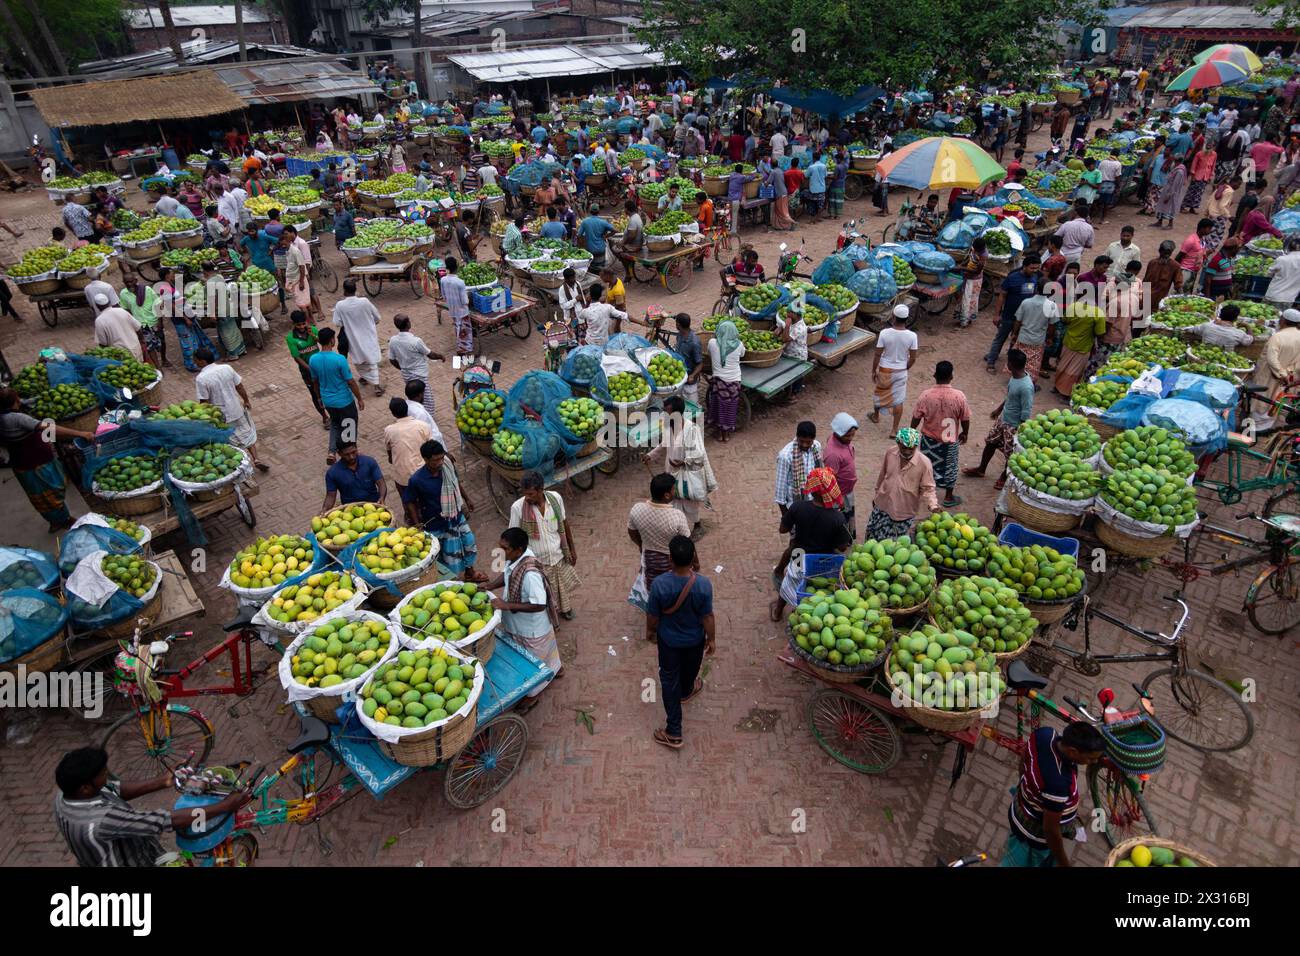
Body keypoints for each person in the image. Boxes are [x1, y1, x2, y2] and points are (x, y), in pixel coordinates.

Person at [54, 746, 249, 867]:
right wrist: (226, 805)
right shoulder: (101, 819)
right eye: (103, 774)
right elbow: (165, 820)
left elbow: (116, 789)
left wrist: (164, 781)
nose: (107, 776)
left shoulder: (65, 793)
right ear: (86, 788)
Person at [1002, 721, 1106, 867]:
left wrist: (1027, 787)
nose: (1094, 761)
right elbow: (1050, 830)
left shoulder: (1045, 734)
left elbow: (1025, 756)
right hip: (1034, 834)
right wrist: (1064, 863)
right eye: (1090, 758)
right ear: (1073, 752)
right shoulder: (1058, 784)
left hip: (1022, 806)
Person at [647, 535, 714, 751]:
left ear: (671, 560)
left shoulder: (659, 585)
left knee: (668, 679)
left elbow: (653, 615)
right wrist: (712, 639)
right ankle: (686, 691)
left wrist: (650, 632)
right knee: (690, 669)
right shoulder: (703, 584)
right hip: (695, 640)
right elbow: (708, 617)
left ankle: (674, 731)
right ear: (693, 558)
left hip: (669, 642)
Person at [482, 527, 560, 712]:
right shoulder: (516, 559)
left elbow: (539, 604)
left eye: (505, 548)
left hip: (532, 628)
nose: (501, 551)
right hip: (520, 625)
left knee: (535, 662)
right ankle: (556, 670)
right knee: (547, 656)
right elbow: (508, 574)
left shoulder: (530, 574)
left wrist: (506, 605)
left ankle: (534, 695)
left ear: (519, 549)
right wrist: (491, 585)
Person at [1, 387, 93, 531]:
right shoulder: (16, 418)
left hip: (21, 464)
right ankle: (64, 520)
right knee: (51, 492)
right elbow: (49, 428)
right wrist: (81, 433)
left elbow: (30, 402)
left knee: (39, 496)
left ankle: (56, 520)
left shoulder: (4, 416)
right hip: (37, 463)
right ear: (15, 400)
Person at [771, 467, 853, 620]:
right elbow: (842, 547)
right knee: (819, 589)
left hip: (799, 554)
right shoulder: (837, 518)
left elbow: (783, 529)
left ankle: (778, 612)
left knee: (790, 582)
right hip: (824, 559)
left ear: (812, 490)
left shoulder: (798, 507)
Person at [402, 440, 481, 579]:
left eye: (441, 458)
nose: (440, 463)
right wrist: (416, 523)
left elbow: (455, 482)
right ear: (425, 459)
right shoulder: (417, 480)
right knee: (448, 555)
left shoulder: (447, 467)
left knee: (469, 542)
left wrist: (467, 499)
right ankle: (451, 581)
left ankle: (470, 571)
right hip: (436, 523)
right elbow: (409, 502)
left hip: (456, 515)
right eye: (435, 460)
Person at [509, 472, 580, 622]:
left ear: (541, 490)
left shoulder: (555, 499)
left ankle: (565, 609)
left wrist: (572, 549)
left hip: (558, 555)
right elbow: (513, 536)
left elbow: (564, 523)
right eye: (524, 493)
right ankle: (551, 618)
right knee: (543, 594)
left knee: (560, 588)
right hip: (537, 562)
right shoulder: (517, 508)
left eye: (531, 494)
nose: (527, 497)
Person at [963, 349, 1034, 490]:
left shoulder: (1026, 387)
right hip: (1003, 419)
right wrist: (999, 409)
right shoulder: (1015, 377)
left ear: (1011, 364)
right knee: (991, 443)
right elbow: (1010, 397)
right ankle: (981, 469)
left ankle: (1004, 476)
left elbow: (1026, 411)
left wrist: (1020, 430)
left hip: (1014, 425)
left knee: (1010, 454)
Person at [645, 394, 716, 533]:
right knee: (674, 502)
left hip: (687, 474)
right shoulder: (667, 426)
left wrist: (683, 462)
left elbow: (698, 455)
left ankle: (697, 525)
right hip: (671, 472)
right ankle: (679, 529)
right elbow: (663, 444)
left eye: (667, 412)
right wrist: (650, 455)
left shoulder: (691, 430)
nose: (664, 414)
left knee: (689, 503)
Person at [194, 348, 269, 472]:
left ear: (202, 361)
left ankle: (239, 468)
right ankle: (256, 459)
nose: (194, 362)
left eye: (195, 360)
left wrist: (202, 418)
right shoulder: (226, 368)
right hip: (236, 409)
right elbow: (239, 386)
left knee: (229, 444)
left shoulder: (201, 378)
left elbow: (204, 402)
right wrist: (246, 400)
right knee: (246, 433)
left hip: (221, 416)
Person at [628, 473, 693, 611]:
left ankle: (656, 605)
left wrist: (641, 544)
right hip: (670, 559)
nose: (675, 491)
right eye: (673, 489)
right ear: (667, 495)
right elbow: (687, 542)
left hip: (648, 556)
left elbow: (632, 531)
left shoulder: (637, 509)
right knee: (674, 585)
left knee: (652, 584)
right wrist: (695, 562)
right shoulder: (677, 516)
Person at [910, 361, 971, 508]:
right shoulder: (959, 396)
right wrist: (965, 433)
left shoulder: (926, 395)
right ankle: (948, 497)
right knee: (950, 467)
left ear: (934, 375)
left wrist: (912, 432)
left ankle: (923, 492)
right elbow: (965, 418)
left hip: (929, 440)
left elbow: (916, 417)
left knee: (926, 465)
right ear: (951, 376)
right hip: (949, 442)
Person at [865, 428, 941, 539]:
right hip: (882, 504)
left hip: (902, 512)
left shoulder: (924, 463)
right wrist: (877, 494)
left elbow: (928, 489)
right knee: (872, 537)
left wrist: (933, 505)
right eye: (904, 447)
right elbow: (882, 475)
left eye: (911, 448)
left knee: (891, 546)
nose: (907, 451)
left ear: (916, 446)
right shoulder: (891, 452)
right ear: (898, 443)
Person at [310, 327, 364, 464]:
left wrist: (319, 398)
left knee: (335, 424)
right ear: (332, 341)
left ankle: (332, 451)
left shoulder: (313, 359)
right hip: (344, 401)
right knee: (349, 426)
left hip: (328, 400)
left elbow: (315, 381)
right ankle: (351, 453)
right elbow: (350, 382)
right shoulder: (339, 359)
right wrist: (359, 398)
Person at [331, 278, 384, 397]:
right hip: (368, 334)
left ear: (344, 291)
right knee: (371, 359)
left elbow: (337, 323)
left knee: (359, 359)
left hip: (353, 337)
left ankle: (367, 378)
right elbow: (377, 317)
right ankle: (376, 385)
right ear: (355, 290)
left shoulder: (340, 305)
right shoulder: (364, 301)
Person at [871, 304, 919, 435]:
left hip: (885, 369)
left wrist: (873, 370)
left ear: (893, 317)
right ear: (907, 319)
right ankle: (894, 430)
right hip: (901, 371)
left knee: (879, 392)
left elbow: (877, 354)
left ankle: (876, 416)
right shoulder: (912, 336)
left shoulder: (884, 333)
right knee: (898, 399)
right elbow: (913, 358)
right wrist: (905, 367)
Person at [386, 312, 443, 419]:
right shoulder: (416, 341)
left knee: (414, 397)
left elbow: (392, 359)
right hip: (420, 376)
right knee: (427, 399)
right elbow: (430, 354)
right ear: (408, 324)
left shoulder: (393, 341)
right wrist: (441, 356)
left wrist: (402, 368)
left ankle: (417, 415)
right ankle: (427, 420)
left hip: (406, 375)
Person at [1008, 279, 1060, 382]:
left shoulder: (1026, 302)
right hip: (1038, 340)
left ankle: (1016, 379)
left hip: (1023, 337)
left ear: (1036, 289)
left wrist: (1014, 333)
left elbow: (1018, 320)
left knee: (1019, 361)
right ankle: (1029, 383)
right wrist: (1050, 338)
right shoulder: (1052, 306)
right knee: (1033, 365)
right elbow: (1052, 325)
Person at [1053, 301, 1108, 397]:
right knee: (1074, 371)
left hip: (1068, 342)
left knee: (1062, 366)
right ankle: (1066, 393)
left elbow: (1065, 320)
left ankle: (1056, 387)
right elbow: (1100, 333)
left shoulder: (1073, 306)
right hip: (1083, 346)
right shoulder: (1098, 313)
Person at [286, 310, 330, 428]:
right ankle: (324, 417)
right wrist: (311, 369)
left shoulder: (313, 330)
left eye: (303, 324)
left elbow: (324, 343)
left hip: (321, 366)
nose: (301, 327)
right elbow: (297, 358)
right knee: (315, 394)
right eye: (298, 325)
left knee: (327, 389)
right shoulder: (291, 338)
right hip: (307, 371)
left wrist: (313, 336)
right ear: (294, 324)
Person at [384, 397, 433, 499]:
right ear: (407, 409)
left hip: (403, 478)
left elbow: (390, 456)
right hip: (423, 472)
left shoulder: (389, 430)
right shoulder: (423, 426)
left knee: (406, 498)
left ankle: (408, 510)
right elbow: (432, 447)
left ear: (393, 413)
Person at [706, 319, 745, 442]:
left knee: (719, 406)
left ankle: (719, 432)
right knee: (730, 407)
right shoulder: (739, 344)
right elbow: (743, 355)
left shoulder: (712, 343)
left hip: (719, 382)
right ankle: (726, 434)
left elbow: (708, 353)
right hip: (734, 382)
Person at [322, 441, 386, 511]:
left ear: (356, 449)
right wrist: (325, 509)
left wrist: (382, 497)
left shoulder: (369, 462)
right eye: (347, 454)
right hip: (350, 510)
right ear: (339, 454)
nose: (351, 457)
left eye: (353, 452)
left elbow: (381, 482)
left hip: (373, 505)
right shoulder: (332, 473)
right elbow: (330, 496)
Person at [440, 257, 474, 356]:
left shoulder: (443, 280)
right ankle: (464, 351)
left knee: (458, 327)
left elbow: (444, 296)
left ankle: (460, 348)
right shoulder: (460, 282)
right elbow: (464, 301)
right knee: (465, 331)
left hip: (452, 310)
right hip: (462, 311)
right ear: (457, 267)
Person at [575, 283, 626, 348]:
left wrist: (587, 302)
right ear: (600, 295)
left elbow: (580, 315)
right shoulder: (607, 307)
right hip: (604, 343)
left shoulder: (587, 311)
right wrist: (640, 322)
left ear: (590, 295)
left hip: (590, 343)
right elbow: (624, 315)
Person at [1189, 302, 1255, 349]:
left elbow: (1191, 329)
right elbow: (1250, 340)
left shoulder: (1207, 326)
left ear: (1220, 315)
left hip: (1202, 355)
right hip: (1224, 361)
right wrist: (1247, 326)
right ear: (1236, 318)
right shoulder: (1239, 334)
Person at [956, 236, 988, 328]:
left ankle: (964, 322)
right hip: (968, 276)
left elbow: (976, 271)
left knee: (968, 300)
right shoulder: (976, 248)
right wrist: (962, 264)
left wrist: (961, 268)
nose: (974, 249)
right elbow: (970, 257)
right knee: (966, 299)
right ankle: (966, 318)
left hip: (974, 280)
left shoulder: (983, 257)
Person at [672, 313, 704, 405]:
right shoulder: (680, 335)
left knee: (692, 407)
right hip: (679, 377)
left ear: (678, 324)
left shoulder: (694, 342)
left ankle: (694, 420)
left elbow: (700, 364)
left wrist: (692, 375)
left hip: (690, 382)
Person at [1176, 218, 1215, 293]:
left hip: (1193, 271)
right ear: (1202, 228)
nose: (1210, 231)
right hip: (1186, 271)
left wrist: (1207, 253)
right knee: (1180, 293)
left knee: (1187, 292)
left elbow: (1198, 254)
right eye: (1209, 228)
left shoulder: (1202, 240)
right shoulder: (1190, 240)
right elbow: (1179, 256)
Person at [1143, 239, 1181, 310]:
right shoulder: (1152, 263)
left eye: (1168, 254)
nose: (1166, 256)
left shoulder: (1175, 266)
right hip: (1146, 298)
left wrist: (1182, 299)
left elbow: (1178, 284)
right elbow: (1145, 281)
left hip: (1160, 300)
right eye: (1164, 253)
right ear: (1160, 251)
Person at [1201, 236, 1242, 300]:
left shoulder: (1227, 258)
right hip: (1214, 295)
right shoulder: (1217, 259)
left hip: (1222, 294)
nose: (1238, 251)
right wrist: (1208, 298)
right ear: (1233, 249)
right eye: (1238, 249)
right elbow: (1207, 280)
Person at [576, 204, 614, 268]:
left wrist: (580, 246)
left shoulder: (585, 221)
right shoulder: (603, 222)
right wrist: (606, 236)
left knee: (591, 268)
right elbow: (615, 230)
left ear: (590, 211)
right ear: (599, 212)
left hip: (590, 249)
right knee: (601, 267)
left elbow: (579, 235)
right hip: (601, 248)